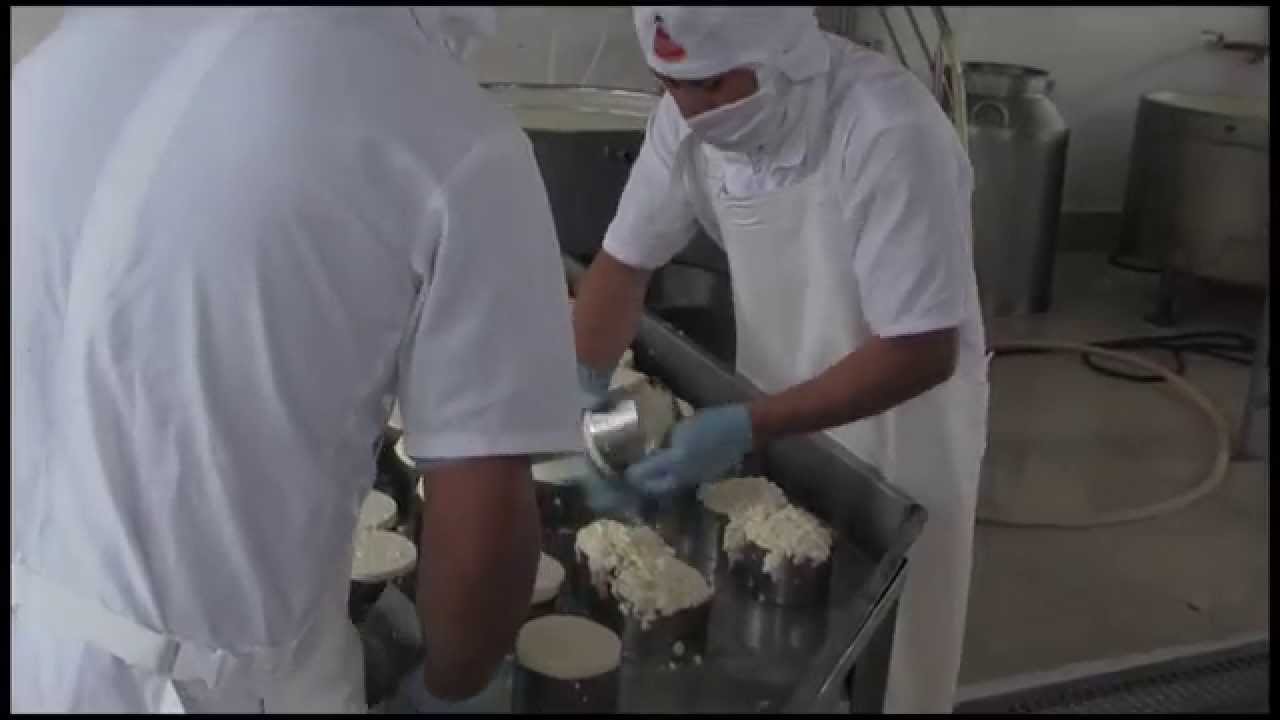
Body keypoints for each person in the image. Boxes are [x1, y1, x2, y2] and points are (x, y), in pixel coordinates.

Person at [11, 7, 581, 713]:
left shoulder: (64, 55)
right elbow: (483, 531)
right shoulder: (452, 137)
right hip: (202, 690)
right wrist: (446, 687)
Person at [571, 6, 989, 713]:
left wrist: (747, 425)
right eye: (670, 84)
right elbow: (623, 264)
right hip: (774, 410)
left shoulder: (888, 131)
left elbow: (921, 350)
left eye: (710, 85)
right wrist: (577, 395)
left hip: (903, 436)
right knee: (784, 652)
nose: (690, 107)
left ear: (777, 54)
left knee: (892, 661)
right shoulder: (687, 118)